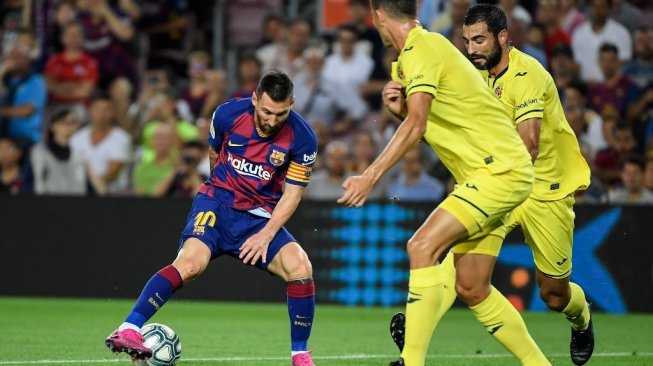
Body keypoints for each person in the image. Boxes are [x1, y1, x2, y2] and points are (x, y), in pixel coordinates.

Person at [338, 2, 544, 365]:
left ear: (378, 16)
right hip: (493, 173)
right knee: (471, 286)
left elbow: (417, 125)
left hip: (498, 171)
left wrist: (369, 175)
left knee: (421, 246)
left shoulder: (422, 49)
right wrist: (400, 113)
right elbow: (435, 126)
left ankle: (412, 361)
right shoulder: (412, 56)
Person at [104, 71, 319, 366]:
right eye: (266, 111)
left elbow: (292, 195)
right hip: (217, 204)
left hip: (258, 218)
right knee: (191, 265)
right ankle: (128, 329)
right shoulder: (227, 114)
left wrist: (266, 234)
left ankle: (300, 355)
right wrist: (219, 192)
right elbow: (214, 154)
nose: (271, 121)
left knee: (300, 266)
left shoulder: (303, 137)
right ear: (255, 98)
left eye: (281, 114)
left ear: (292, 104)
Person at [457, 4, 593, 365]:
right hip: (503, 184)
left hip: (545, 189)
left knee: (553, 295)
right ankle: (417, 329)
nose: (472, 49)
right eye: (467, 40)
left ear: (503, 37)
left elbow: (529, 147)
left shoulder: (527, 74)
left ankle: (581, 318)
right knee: (457, 257)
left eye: (480, 40)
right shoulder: (475, 74)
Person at [30, 109, 86, 195]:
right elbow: (36, 181)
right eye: (63, 122)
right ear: (53, 126)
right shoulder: (39, 151)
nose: (68, 126)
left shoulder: (80, 153)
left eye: (72, 123)